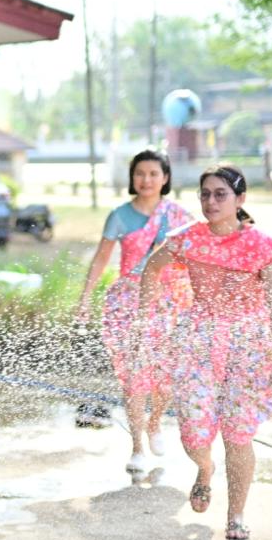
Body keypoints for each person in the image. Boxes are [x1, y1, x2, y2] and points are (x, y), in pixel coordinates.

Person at [139, 165, 272, 540]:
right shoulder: (188, 238)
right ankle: (205, 469)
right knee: (194, 434)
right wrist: (146, 322)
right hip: (199, 342)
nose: (210, 201)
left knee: (238, 435)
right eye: (205, 194)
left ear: (240, 199)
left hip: (249, 348)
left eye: (220, 194)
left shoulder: (263, 246)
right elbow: (151, 269)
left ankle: (236, 514)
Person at [77, 150, 195, 473]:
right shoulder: (119, 216)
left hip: (168, 303)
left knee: (165, 377)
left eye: (154, 174)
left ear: (165, 178)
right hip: (127, 304)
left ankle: (155, 422)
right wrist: (85, 298)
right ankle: (137, 447)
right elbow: (101, 259)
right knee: (134, 377)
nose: (146, 180)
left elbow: (196, 255)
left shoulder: (179, 216)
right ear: (132, 177)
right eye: (140, 173)